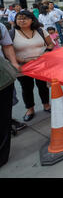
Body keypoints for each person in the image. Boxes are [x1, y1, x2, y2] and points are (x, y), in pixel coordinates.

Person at [10, 10, 54, 122]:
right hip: (23, 67)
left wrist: (45, 54)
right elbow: (8, 51)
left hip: (41, 65)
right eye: (19, 18)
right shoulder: (12, 33)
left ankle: (46, 105)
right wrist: (22, 60)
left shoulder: (40, 31)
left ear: (32, 20)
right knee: (27, 88)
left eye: (25, 18)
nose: (21, 20)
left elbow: (50, 44)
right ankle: (30, 109)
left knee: (42, 86)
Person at [0, 22, 21, 167]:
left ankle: (1, 155)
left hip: (2, 77)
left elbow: (7, 46)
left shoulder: (0, 27)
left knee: (3, 117)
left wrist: (14, 64)